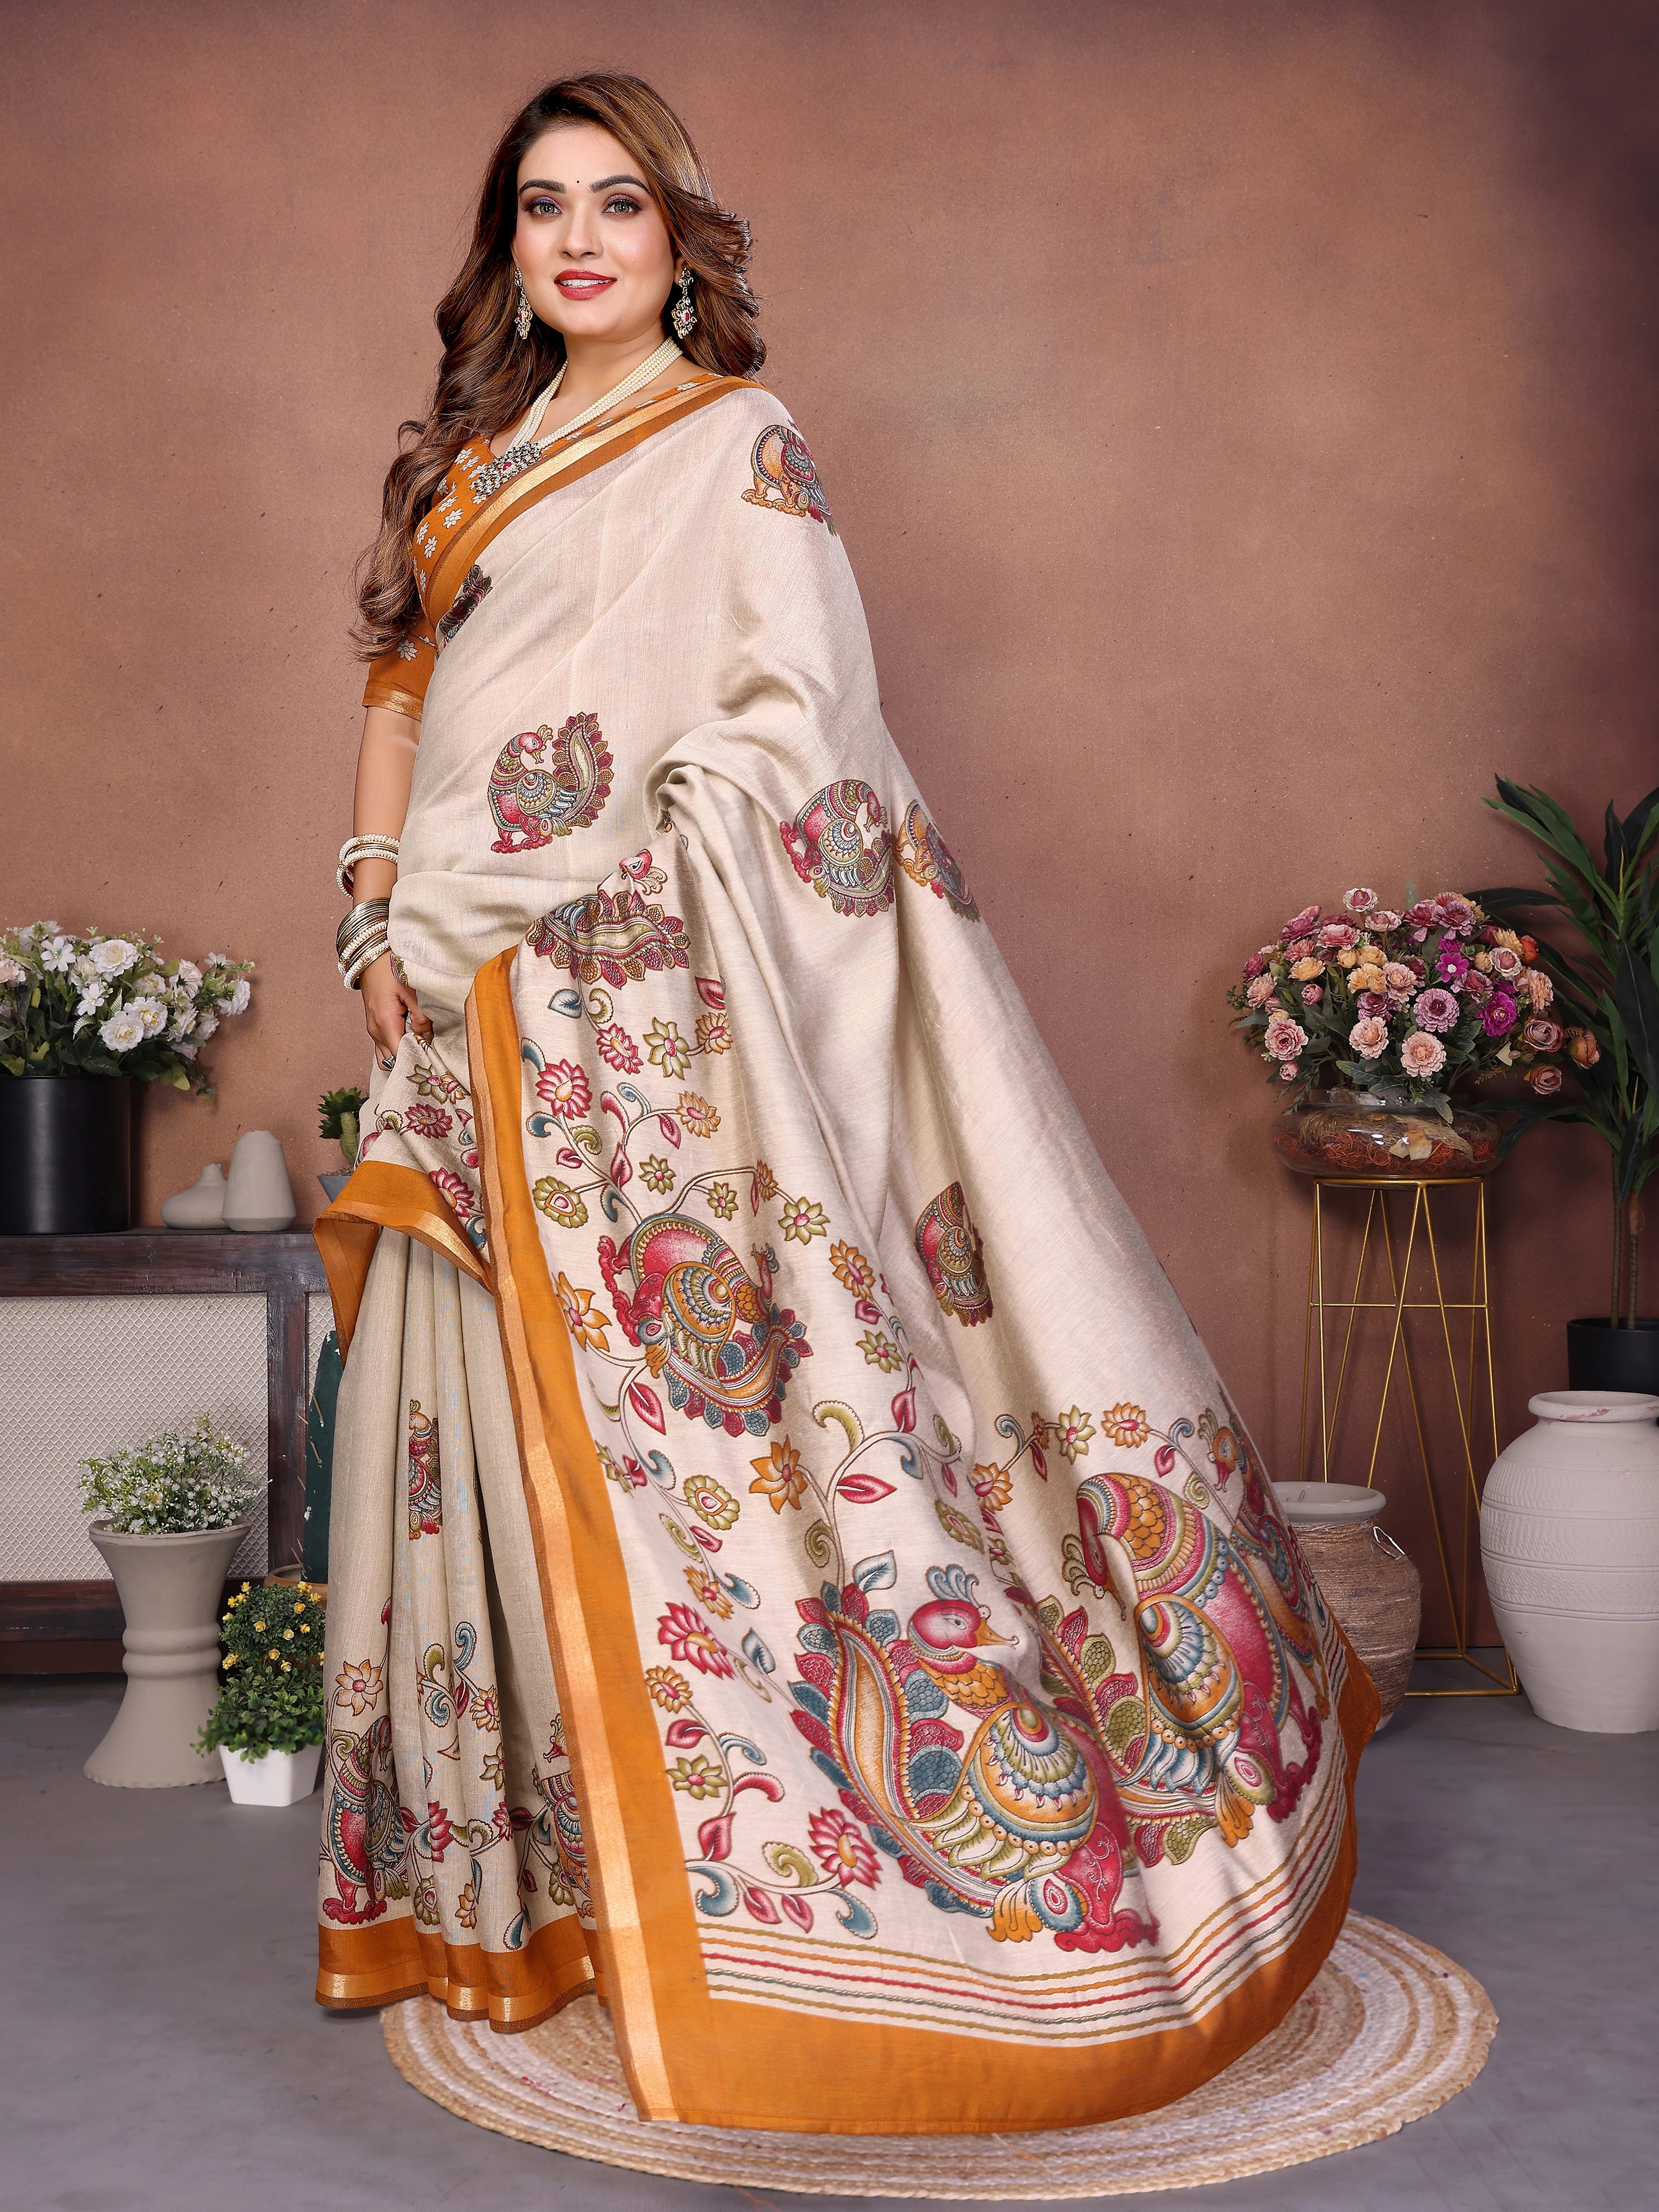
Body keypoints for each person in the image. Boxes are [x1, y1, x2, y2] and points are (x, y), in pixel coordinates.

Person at [315, 71, 1376, 2136]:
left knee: (692, 1446)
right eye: (543, 207)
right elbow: (401, 689)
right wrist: (376, 906)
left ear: (679, 239)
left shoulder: (737, 441)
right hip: (446, 995)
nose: (580, 240)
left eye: (620, 204)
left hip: (618, 989)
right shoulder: (469, 466)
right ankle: (522, 1896)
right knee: (474, 1414)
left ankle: (768, 1908)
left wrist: (597, 906)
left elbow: (799, 720)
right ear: (507, 250)